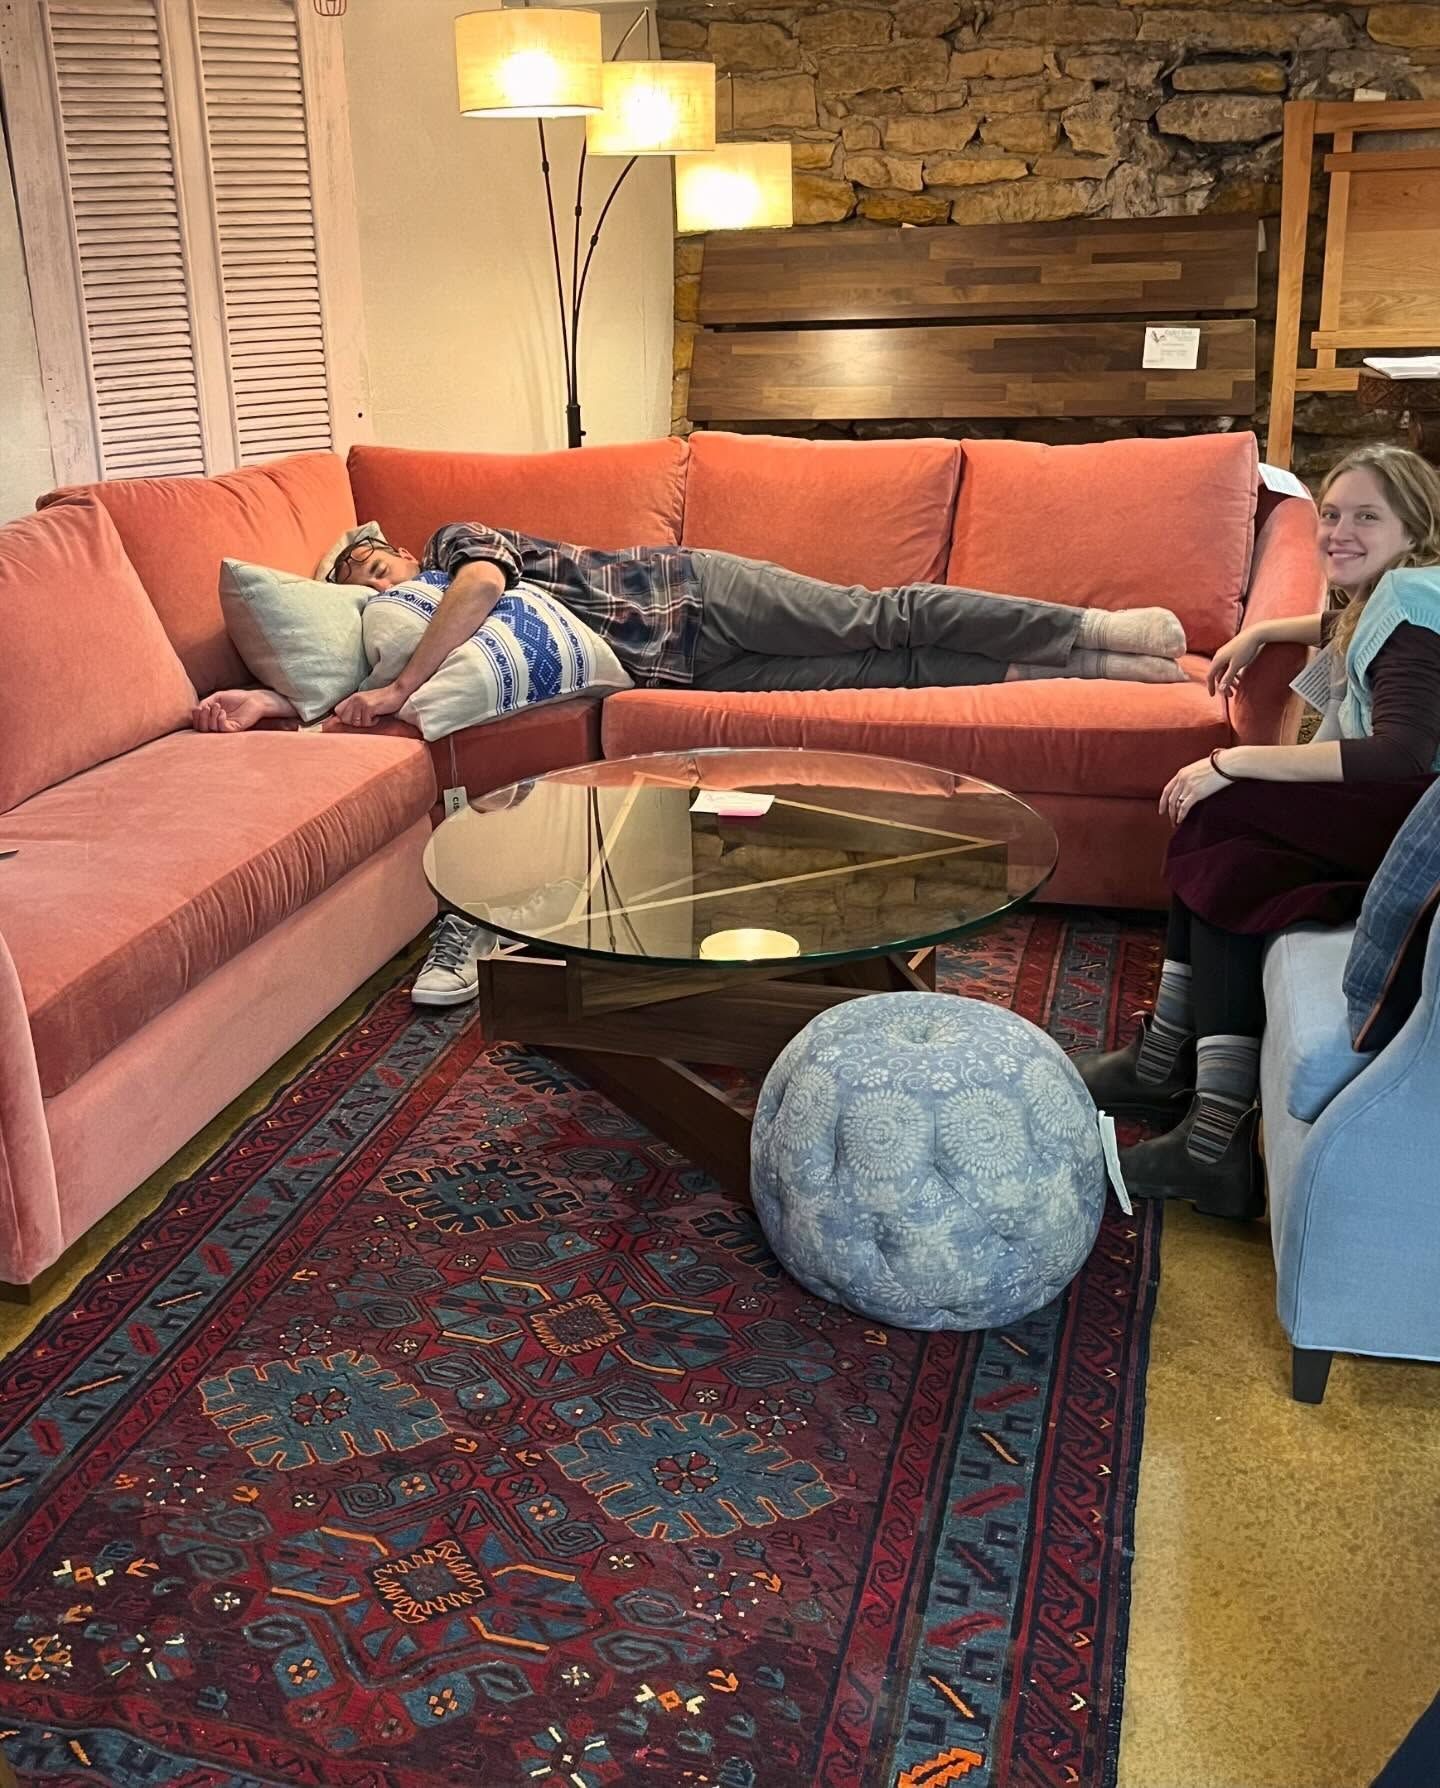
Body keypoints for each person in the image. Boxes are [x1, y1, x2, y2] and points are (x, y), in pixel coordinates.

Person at [194, 516, 1192, 1003]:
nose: (379, 577)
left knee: (875, 617)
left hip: (693, 597)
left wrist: (403, 686)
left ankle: (1091, 627)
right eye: (358, 579)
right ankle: (1101, 665)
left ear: (403, 552)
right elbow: (354, 677)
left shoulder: (457, 549)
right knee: (893, 674)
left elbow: (479, 593)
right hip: (667, 680)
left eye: (378, 564)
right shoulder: (401, 622)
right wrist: (277, 697)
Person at [1076, 445, 1440, 1219]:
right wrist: (1263, 631)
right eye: (1332, 515)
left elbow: (1401, 752)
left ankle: (1186, 1094)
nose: (1339, 531)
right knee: (1229, 835)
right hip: (1401, 809)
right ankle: (1193, 1106)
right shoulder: (1392, 594)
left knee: (1225, 805)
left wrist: (1239, 759)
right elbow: (1343, 623)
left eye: (1367, 517)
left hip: (1415, 818)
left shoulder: (1414, 599)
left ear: (1415, 530)